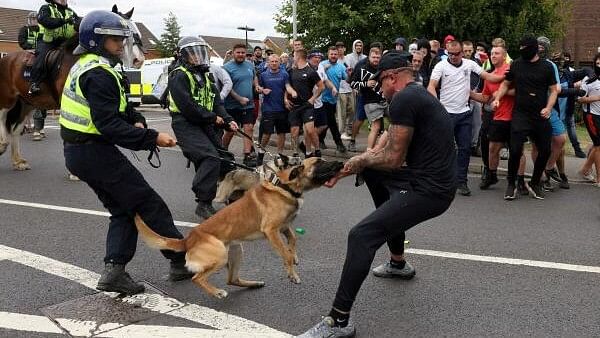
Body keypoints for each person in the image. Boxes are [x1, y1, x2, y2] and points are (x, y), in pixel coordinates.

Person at [299, 52, 456, 338]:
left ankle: (339, 321)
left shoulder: (405, 100)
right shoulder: (414, 95)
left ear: (392, 77)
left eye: (379, 84)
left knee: (361, 235)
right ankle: (398, 263)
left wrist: (359, 162)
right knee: (372, 171)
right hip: (428, 179)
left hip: (432, 190)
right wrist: (342, 171)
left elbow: (393, 160)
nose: (379, 90)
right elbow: (379, 151)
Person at [60, 10, 193, 295]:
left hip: (81, 152)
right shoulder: (99, 73)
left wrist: (137, 119)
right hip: (93, 151)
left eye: (122, 38)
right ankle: (182, 260)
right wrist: (153, 137)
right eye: (114, 39)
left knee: (123, 209)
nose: (121, 45)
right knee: (148, 203)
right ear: (96, 41)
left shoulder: (90, 65)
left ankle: (114, 271)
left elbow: (119, 108)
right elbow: (108, 124)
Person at [168, 36, 239, 219]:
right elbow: (188, 107)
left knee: (226, 158)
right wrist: (213, 118)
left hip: (205, 122)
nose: (198, 57)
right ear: (183, 56)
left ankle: (235, 197)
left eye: (200, 52)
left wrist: (227, 119)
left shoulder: (206, 75)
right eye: (193, 53)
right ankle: (203, 203)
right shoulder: (179, 75)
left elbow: (216, 102)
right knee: (209, 157)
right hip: (185, 123)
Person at [427, 40, 503, 196]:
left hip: (464, 114)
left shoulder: (469, 64)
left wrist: (507, 76)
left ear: (462, 52)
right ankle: (440, 179)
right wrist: (437, 104)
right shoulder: (441, 66)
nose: (453, 57)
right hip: (446, 113)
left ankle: (461, 181)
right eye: (450, 54)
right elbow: (431, 86)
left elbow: (488, 76)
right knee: (443, 148)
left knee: (465, 148)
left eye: (456, 54)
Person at [494, 35, 559, 200]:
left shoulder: (547, 67)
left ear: (534, 48)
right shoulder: (516, 64)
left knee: (545, 150)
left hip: (540, 115)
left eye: (526, 49)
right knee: (515, 150)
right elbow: (506, 84)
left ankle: (535, 183)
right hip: (521, 114)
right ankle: (511, 184)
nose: (523, 52)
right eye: (521, 49)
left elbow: (553, 90)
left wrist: (549, 107)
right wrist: (497, 98)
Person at [30, 0, 79, 94]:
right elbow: (46, 21)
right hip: (47, 41)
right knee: (41, 57)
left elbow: (79, 24)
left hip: (65, 42)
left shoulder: (71, 12)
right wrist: (64, 21)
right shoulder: (46, 8)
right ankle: (35, 83)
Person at [223, 43, 259, 167]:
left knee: (248, 128)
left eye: (243, 52)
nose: (240, 55)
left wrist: (257, 86)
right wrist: (239, 98)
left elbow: (254, 77)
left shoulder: (250, 65)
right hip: (231, 105)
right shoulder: (226, 67)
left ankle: (247, 155)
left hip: (248, 105)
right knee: (230, 131)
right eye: (238, 52)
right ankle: (223, 152)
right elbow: (227, 86)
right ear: (233, 53)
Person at [256, 54, 294, 163]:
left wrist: (286, 99)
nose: (274, 63)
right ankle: (261, 152)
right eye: (272, 61)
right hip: (268, 108)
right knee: (267, 133)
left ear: (279, 62)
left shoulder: (284, 74)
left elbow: (287, 87)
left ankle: (280, 154)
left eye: (276, 61)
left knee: (281, 132)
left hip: (282, 108)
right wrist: (262, 90)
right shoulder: (263, 75)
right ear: (268, 62)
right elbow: (258, 87)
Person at [18, 12, 47, 140]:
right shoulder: (24, 29)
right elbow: (22, 41)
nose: (34, 21)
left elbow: (45, 41)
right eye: (32, 19)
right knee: (24, 64)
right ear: (29, 20)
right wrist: (30, 48)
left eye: (35, 19)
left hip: (40, 53)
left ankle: (40, 126)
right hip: (29, 53)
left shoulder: (42, 29)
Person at [577, 52, 600, 186]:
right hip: (592, 116)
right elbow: (580, 99)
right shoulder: (589, 80)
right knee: (598, 146)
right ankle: (599, 178)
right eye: (597, 63)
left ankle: (585, 169)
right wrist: (596, 98)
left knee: (598, 146)